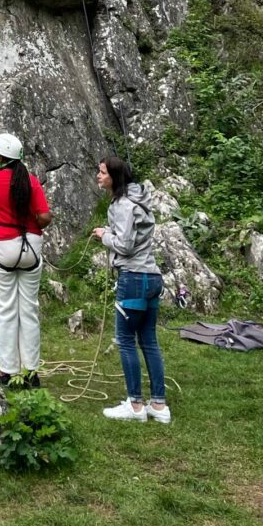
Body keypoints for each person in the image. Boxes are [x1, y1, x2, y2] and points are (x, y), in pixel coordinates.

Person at [93, 156, 170, 423]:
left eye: (102, 172)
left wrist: (104, 236)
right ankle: (159, 406)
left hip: (133, 279)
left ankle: (135, 405)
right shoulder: (139, 200)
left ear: (114, 177)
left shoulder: (124, 205)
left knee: (126, 341)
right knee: (149, 341)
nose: (98, 176)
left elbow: (124, 245)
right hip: (152, 277)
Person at [0, 133, 53, 388]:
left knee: (6, 310)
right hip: (30, 246)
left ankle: (8, 371)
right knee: (29, 310)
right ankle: (32, 372)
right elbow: (44, 216)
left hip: (2, 246)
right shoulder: (30, 181)